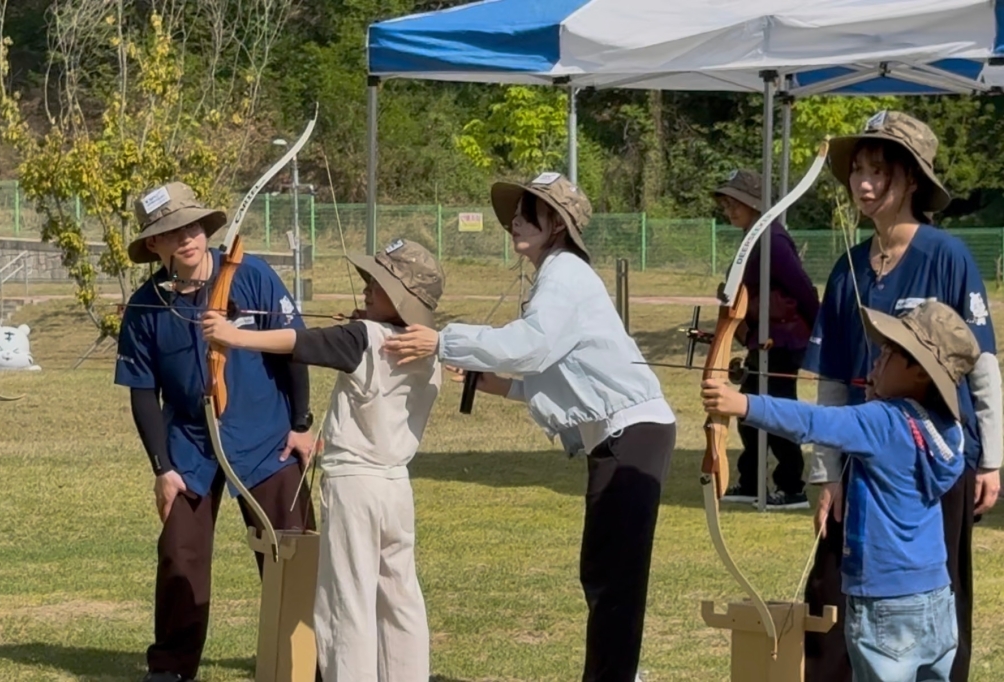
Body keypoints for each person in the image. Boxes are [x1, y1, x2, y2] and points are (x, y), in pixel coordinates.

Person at [384, 172, 676, 682]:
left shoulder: (565, 273)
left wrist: (441, 340)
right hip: (619, 438)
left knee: (615, 578)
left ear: (557, 225)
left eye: (529, 211)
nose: (516, 220)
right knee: (604, 574)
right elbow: (558, 374)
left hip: (634, 433)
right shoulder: (556, 274)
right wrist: (496, 384)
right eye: (516, 211)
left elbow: (531, 346)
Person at [802, 110, 1001, 682]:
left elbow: (983, 366)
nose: (863, 183)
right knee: (835, 587)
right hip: (863, 464)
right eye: (857, 170)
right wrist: (827, 473)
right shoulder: (846, 270)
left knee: (941, 589)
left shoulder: (947, 256)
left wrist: (991, 458)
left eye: (879, 171)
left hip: (937, 463)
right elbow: (834, 383)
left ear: (911, 179)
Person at [202, 237, 444, 682]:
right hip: (395, 488)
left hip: (356, 485)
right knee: (399, 597)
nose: (367, 287)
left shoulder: (363, 337)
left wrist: (232, 335)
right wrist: (368, 325)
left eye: (378, 283)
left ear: (400, 299)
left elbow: (300, 341)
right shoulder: (426, 351)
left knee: (345, 600)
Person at [703, 299, 979, 682]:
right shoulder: (947, 430)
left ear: (919, 373)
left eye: (891, 353)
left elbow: (813, 421)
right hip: (936, 597)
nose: (878, 358)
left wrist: (742, 404)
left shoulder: (882, 422)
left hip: (884, 604)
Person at [114, 181, 316, 682]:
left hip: (267, 439)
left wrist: (300, 425)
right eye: (170, 233)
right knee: (179, 554)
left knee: (292, 555)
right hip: (189, 449)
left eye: (192, 227)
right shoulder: (145, 305)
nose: (186, 239)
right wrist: (162, 467)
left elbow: (295, 347)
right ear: (154, 245)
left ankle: (309, 663)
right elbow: (142, 391)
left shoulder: (251, 275)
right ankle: (171, 668)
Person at [713, 169, 819, 510]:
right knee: (751, 411)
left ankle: (791, 488)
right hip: (764, 340)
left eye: (736, 203)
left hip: (783, 343)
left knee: (775, 412)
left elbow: (803, 290)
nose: (730, 210)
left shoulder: (772, 240)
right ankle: (752, 481)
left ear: (754, 204)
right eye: (727, 204)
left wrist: (817, 333)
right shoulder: (755, 236)